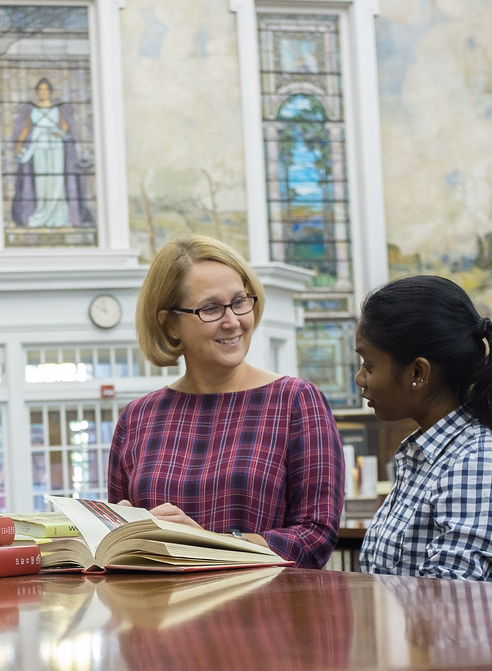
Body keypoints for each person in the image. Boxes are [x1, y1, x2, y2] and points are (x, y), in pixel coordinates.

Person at [107, 235, 344, 569]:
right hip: (160, 615)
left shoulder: (296, 402)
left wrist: (207, 543)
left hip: (260, 615)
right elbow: (117, 542)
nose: (233, 321)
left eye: (239, 302)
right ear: (170, 324)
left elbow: (315, 538)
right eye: (211, 308)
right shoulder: (137, 417)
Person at [354, 275, 492, 585]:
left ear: (418, 372)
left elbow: (451, 598)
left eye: (368, 364)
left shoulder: (477, 461)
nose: (360, 378)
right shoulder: (428, 455)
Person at [10, 78, 92, 230]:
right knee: (42, 181)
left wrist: (60, 133)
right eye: (40, 90)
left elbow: (65, 126)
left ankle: (58, 216)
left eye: (46, 89)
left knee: (56, 179)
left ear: (50, 91)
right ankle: (42, 213)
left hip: (55, 145)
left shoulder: (57, 108)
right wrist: (19, 144)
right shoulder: (32, 109)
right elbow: (27, 129)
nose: (43, 92)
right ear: (37, 92)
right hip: (38, 145)